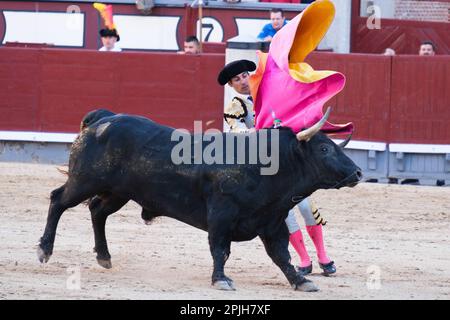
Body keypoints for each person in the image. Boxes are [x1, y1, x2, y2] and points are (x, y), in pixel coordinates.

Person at [219, 59, 336, 276]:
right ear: (231, 85)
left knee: (305, 206)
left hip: (288, 161)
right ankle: (304, 258)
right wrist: (251, 133)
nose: (243, 81)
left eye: (245, 75)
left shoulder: (269, 94)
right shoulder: (236, 106)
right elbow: (234, 132)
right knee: (286, 212)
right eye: (237, 79)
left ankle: (323, 255)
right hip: (264, 168)